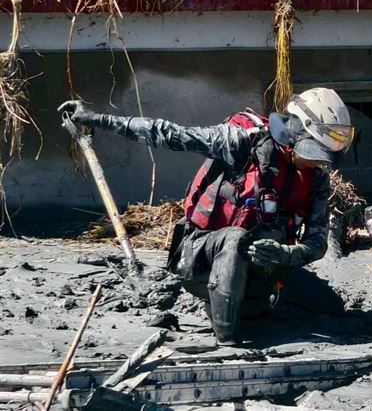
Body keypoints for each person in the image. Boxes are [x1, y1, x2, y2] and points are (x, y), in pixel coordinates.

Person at [59, 88, 355, 345]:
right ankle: (228, 341)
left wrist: (285, 254)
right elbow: (167, 133)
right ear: (293, 135)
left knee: (329, 307)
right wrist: (95, 119)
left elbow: (317, 243)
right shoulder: (241, 142)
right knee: (236, 238)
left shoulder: (315, 178)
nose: (319, 162)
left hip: (263, 263)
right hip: (200, 254)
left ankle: (250, 303)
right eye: (314, 152)